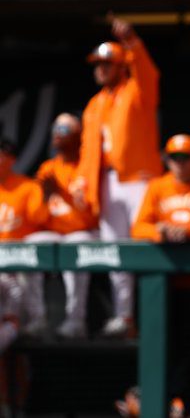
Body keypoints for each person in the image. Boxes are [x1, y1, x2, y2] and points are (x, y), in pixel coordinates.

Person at [72, 16, 162, 338]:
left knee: (145, 245)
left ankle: (150, 314)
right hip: (107, 182)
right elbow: (87, 150)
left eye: (106, 63)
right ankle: (124, 316)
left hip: (139, 179)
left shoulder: (136, 91)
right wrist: (81, 182)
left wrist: (132, 43)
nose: (100, 69)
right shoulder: (94, 105)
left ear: (121, 65)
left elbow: (149, 74)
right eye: (98, 64)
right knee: (115, 249)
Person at [131, 134, 190, 415]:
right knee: (165, 348)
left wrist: (187, 231)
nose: (180, 163)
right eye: (175, 158)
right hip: (167, 286)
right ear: (167, 159)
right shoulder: (158, 187)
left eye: (186, 158)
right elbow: (138, 228)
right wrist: (161, 231)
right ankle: (165, 403)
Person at [25, 114, 98, 339]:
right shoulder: (48, 168)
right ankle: (37, 318)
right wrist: (46, 196)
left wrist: (64, 195)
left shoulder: (86, 168)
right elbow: (35, 217)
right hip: (56, 233)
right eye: (55, 128)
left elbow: (91, 217)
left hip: (84, 232)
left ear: (78, 136)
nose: (57, 133)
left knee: (76, 247)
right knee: (30, 246)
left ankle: (76, 320)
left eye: (64, 129)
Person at [0, 140, 49, 337]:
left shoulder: (27, 187)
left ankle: (36, 321)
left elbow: (40, 218)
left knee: (22, 278)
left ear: (12, 159)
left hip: (19, 254)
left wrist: (47, 196)